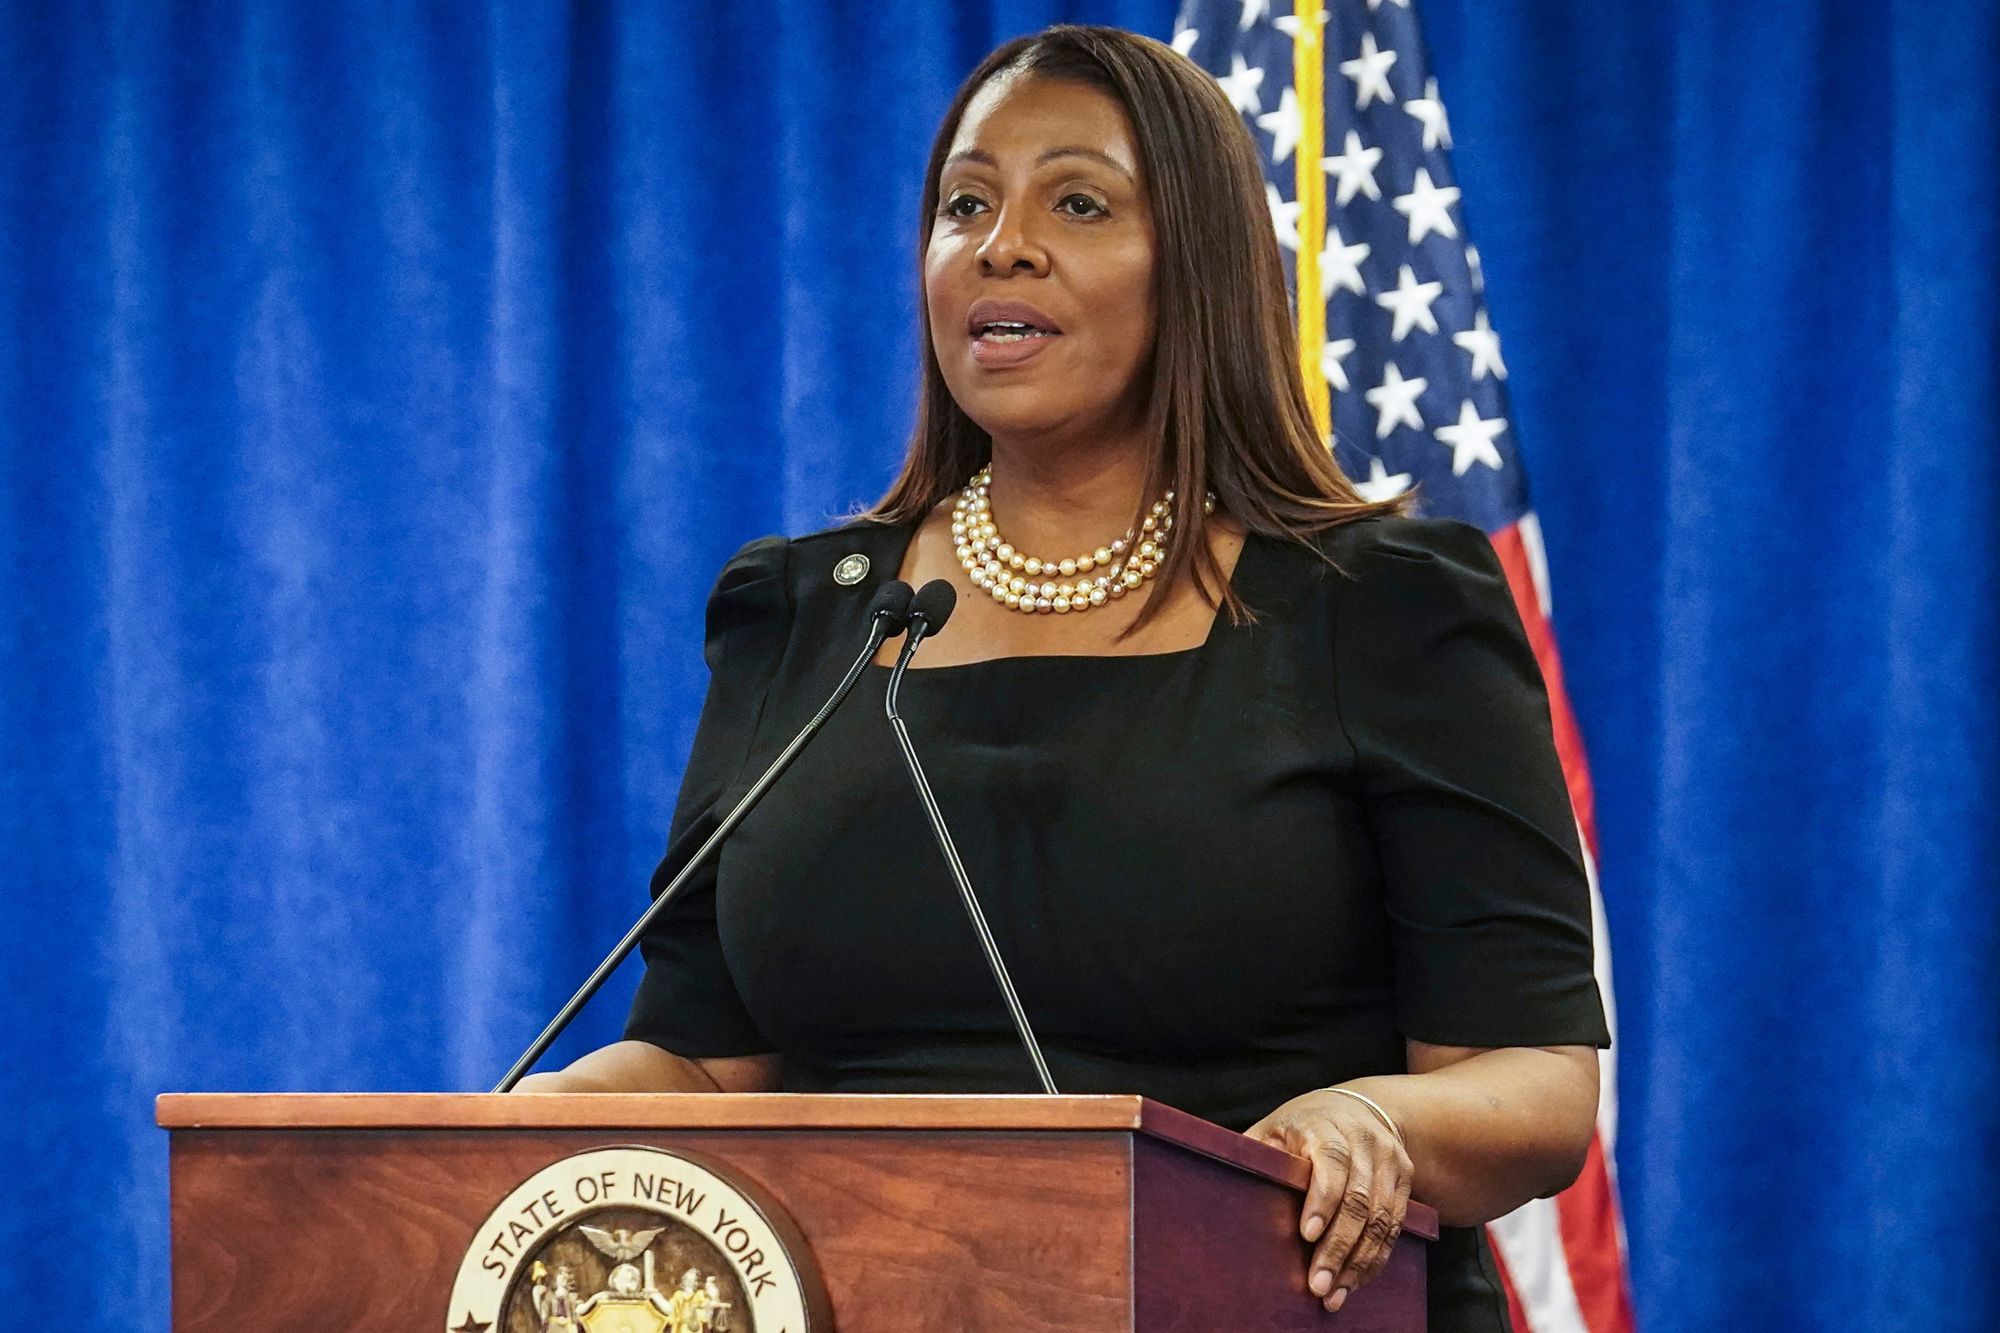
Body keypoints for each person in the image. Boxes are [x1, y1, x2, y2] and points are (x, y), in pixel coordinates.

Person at [515, 24, 1608, 1331]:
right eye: (964, 205)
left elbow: (1534, 1081)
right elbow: (703, 1064)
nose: (1002, 245)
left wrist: (1372, 1120)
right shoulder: (804, 613)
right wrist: (510, 1136)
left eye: (1077, 203)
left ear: (1197, 266)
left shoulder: (1381, 604)